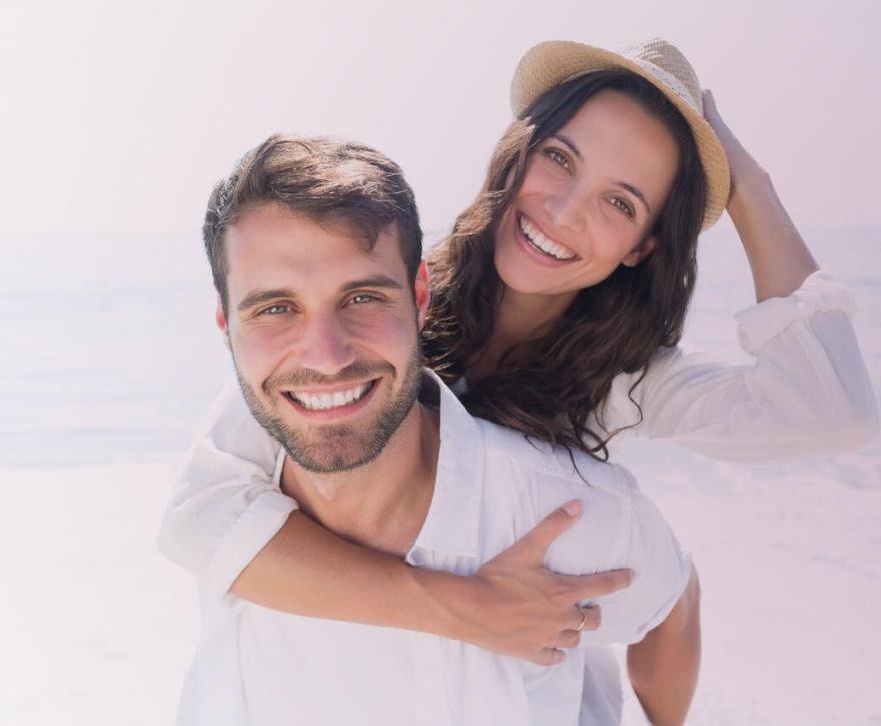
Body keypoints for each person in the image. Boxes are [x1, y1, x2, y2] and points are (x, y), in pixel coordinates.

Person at [159, 38, 877, 722]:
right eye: (559, 159)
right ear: (518, 150)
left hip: (534, 679)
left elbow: (831, 413)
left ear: (644, 245)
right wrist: (463, 607)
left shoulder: (630, 381)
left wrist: (749, 190)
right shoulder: (373, 309)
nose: (562, 212)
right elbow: (202, 518)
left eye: (620, 203)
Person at [174, 134, 699, 726]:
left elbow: (673, 604)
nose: (325, 356)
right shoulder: (232, 497)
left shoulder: (560, 511)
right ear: (225, 323)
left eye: (362, 298)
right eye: (275, 308)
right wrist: (465, 607)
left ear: (420, 296)